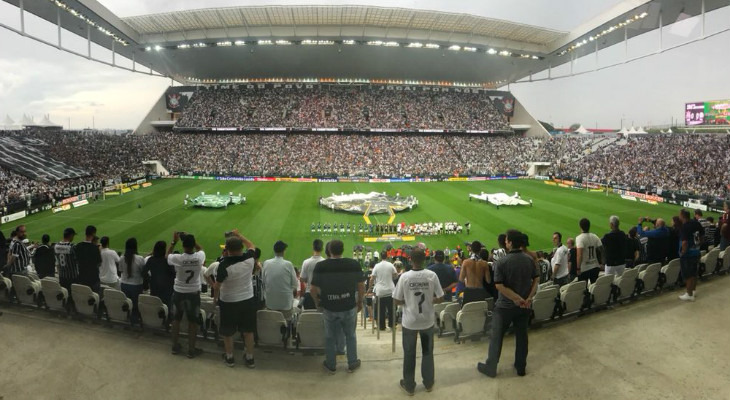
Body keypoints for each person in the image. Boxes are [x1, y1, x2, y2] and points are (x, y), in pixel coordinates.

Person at [477, 230, 539, 378]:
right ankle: (521, 367)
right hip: (524, 306)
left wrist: (516, 298)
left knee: (496, 337)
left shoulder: (502, 262)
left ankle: (491, 367)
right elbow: (536, 280)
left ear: (510, 243)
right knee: (522, 336)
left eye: (506, 240)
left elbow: (499, 285)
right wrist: (528, 298)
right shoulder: (529, 259)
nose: (505, 242)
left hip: (504, 307)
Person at [393, 248, 444, 395]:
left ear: (410, 259)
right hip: (427, 321)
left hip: (409, 322)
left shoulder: (404, 277)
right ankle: (428, 383)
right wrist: (431, 299)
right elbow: (440, 297)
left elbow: (396, 300)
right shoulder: (431, 275)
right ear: (425, 259)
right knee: (428, 353)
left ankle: (409, 385)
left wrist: (407, 301)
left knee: (409, 354)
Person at [311, 239, 365, 374]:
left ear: (329, 251)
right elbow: (361, 286)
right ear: (342, 250)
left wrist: (318, 302)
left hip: (329, 307)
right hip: (348, 306)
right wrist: (360, 302)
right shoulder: (353, 264)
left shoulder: (321, 266)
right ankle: (352, 363)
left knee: (329, 337)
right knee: (350, 335)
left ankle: (331, 364)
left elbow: (313, 289)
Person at [214, 231, 257, 368]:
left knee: (228, 331)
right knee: (248, 331)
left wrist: (215, 298)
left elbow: (217, 286)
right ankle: (250, 358)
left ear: (227, 250)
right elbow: (251, 245)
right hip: (247, 299)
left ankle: (230, 357)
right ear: (241, 248)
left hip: (229, 301)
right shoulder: (250, 258)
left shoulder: (223, 265)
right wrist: (239, 235)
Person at [167, 232, 206, 358]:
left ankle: (174, 346)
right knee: (192, 322)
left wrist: (174, 241)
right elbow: (200, 249)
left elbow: (167, 255)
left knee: (176, 320)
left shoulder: (178, 258)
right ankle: (191, 349)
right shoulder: (199, 257)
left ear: (183, 245)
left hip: (178, 292)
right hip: (193, 293)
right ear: (193, 245)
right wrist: (192, 240)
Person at [262, 240, 298, 321]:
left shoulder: (266, 263)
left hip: (270, 305)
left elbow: (263, 282)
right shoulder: (288, 264)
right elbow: (295, 284)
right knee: (286, 324)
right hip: (285, 306)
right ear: (284, 251)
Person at [143, 240, 176, 311]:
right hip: (167, 289)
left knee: (155, 307)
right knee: (166, 308)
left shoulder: (151, 259)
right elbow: (174, 274)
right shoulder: (167, 261)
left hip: (154, 287)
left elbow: (143, 272)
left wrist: (150, 280)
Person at [678, 209, 703, 302]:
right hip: (696, 251)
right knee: (694, 272)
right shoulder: (696, 223)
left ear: (682, 216)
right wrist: (698, 245)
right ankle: (693, 291)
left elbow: (684, 242)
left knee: (688, 274)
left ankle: (689, 294)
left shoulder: (685, 226)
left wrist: (683, 252)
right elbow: (702, 235)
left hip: (688, 254)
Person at [119, 238, 145, 324]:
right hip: (136, 286)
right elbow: (143, 272)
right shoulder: (140, 258)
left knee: (127, 304)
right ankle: (134, 322)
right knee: (135, 306)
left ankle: (127, 321)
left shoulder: (122, 258)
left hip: (125, 284)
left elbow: (121, 270)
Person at [370, 250, 398, 331]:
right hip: (390, 290)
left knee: (380, 310)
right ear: (387, 256)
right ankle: (392, 325)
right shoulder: (390, 265)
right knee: (391, 309)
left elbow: (372, 278)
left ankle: (382, 326)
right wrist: (391, 278)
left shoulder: (377, 266)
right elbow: (395, 275)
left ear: (380, 257)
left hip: (380, 291)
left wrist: (370, 288)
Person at [459, 241, 489, 305]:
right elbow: (488, 280)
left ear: (471, 249)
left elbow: (461, 279)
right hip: (480, 291)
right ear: (480, 249)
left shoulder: (466, 262)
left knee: (467, 312)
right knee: (479, 311)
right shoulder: (484, 263)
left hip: (469, 291)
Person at [75, 225, 102, 293]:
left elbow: (77, 261)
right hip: (93, 279)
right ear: (94, 234)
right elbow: (99, 263)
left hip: (82, 277)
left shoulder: (78, 246)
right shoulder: (95, 248)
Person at [575, 218, 603, 283]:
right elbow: (601, 250)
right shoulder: (595, 236)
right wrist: (602, 263)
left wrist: (578, 268)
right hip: (595, 266)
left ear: (580, 226)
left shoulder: (579, 238)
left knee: (582, 289)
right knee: (594, 287)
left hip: (584, 268)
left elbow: (579, 255)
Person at [299, 239, 324, 310]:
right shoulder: (324, 262)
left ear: (313, 248)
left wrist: (309, 279)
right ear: (322, 248)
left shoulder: (306, 262)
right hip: (321, 295)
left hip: (309, 293)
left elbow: (302, 279)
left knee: (309, 317)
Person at [55, 227, 78, 291]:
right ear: (70, 235)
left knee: (64, 293)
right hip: (72, 277)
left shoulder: (56, 246)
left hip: (62, 276)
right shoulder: (72, 246)